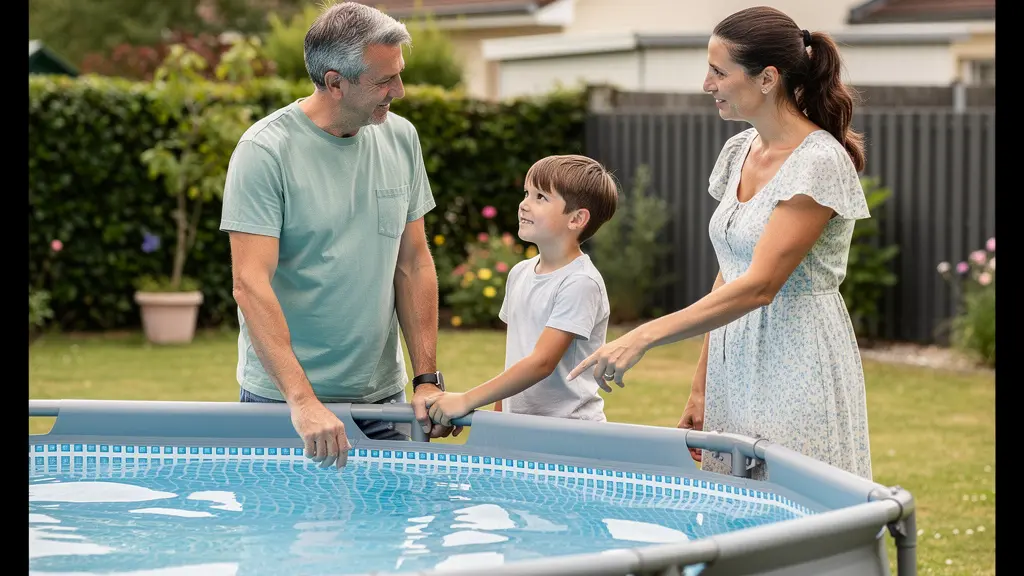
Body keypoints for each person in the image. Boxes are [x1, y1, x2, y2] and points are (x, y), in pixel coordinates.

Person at [568, 6, 873, 481]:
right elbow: (729, 271)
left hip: (798, 359)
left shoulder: (818, 162)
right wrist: (702, 387)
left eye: (718, 71)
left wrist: (643, 335)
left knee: (791, 505)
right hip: (733, 361)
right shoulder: (738, 151)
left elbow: (758, 286)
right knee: (732, 506)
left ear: (767, 77)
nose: (706, 84)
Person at [219, 2, 459, 471]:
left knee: (385, 536)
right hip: (284, 403)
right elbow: (250, 284)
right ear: (334, 82)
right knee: (281, 540)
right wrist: (302, 401)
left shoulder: (401, 138)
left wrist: (426, 378)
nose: (400, 91)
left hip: (381, 398)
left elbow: (412, 262)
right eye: (384, 81)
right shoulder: (264, 151)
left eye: (399, 74)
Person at [416, 155, 619, 429]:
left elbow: (541, 362)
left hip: (570, 433)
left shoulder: (580, 282)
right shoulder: (520, 274)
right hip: (523, 430)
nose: (524, 204)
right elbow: (517, 360)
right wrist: (498, 422)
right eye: (526, 193)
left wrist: (467, 400)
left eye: (540, 197)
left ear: (577, 219)